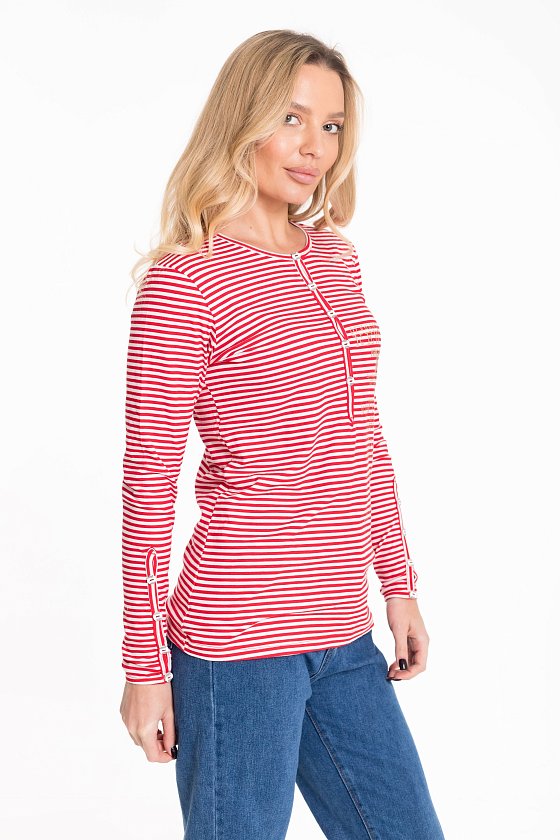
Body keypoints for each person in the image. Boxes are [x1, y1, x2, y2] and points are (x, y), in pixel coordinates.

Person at [119, 29, 446, 840]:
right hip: (237, 646)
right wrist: (144, 667)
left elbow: (363, 435)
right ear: (243, 118)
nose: (315, 147)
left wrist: (398, 582)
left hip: (343, 633)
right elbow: (150, 484)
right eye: (292, 118)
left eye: (331, 126)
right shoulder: (184, 282)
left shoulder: (335, 260)